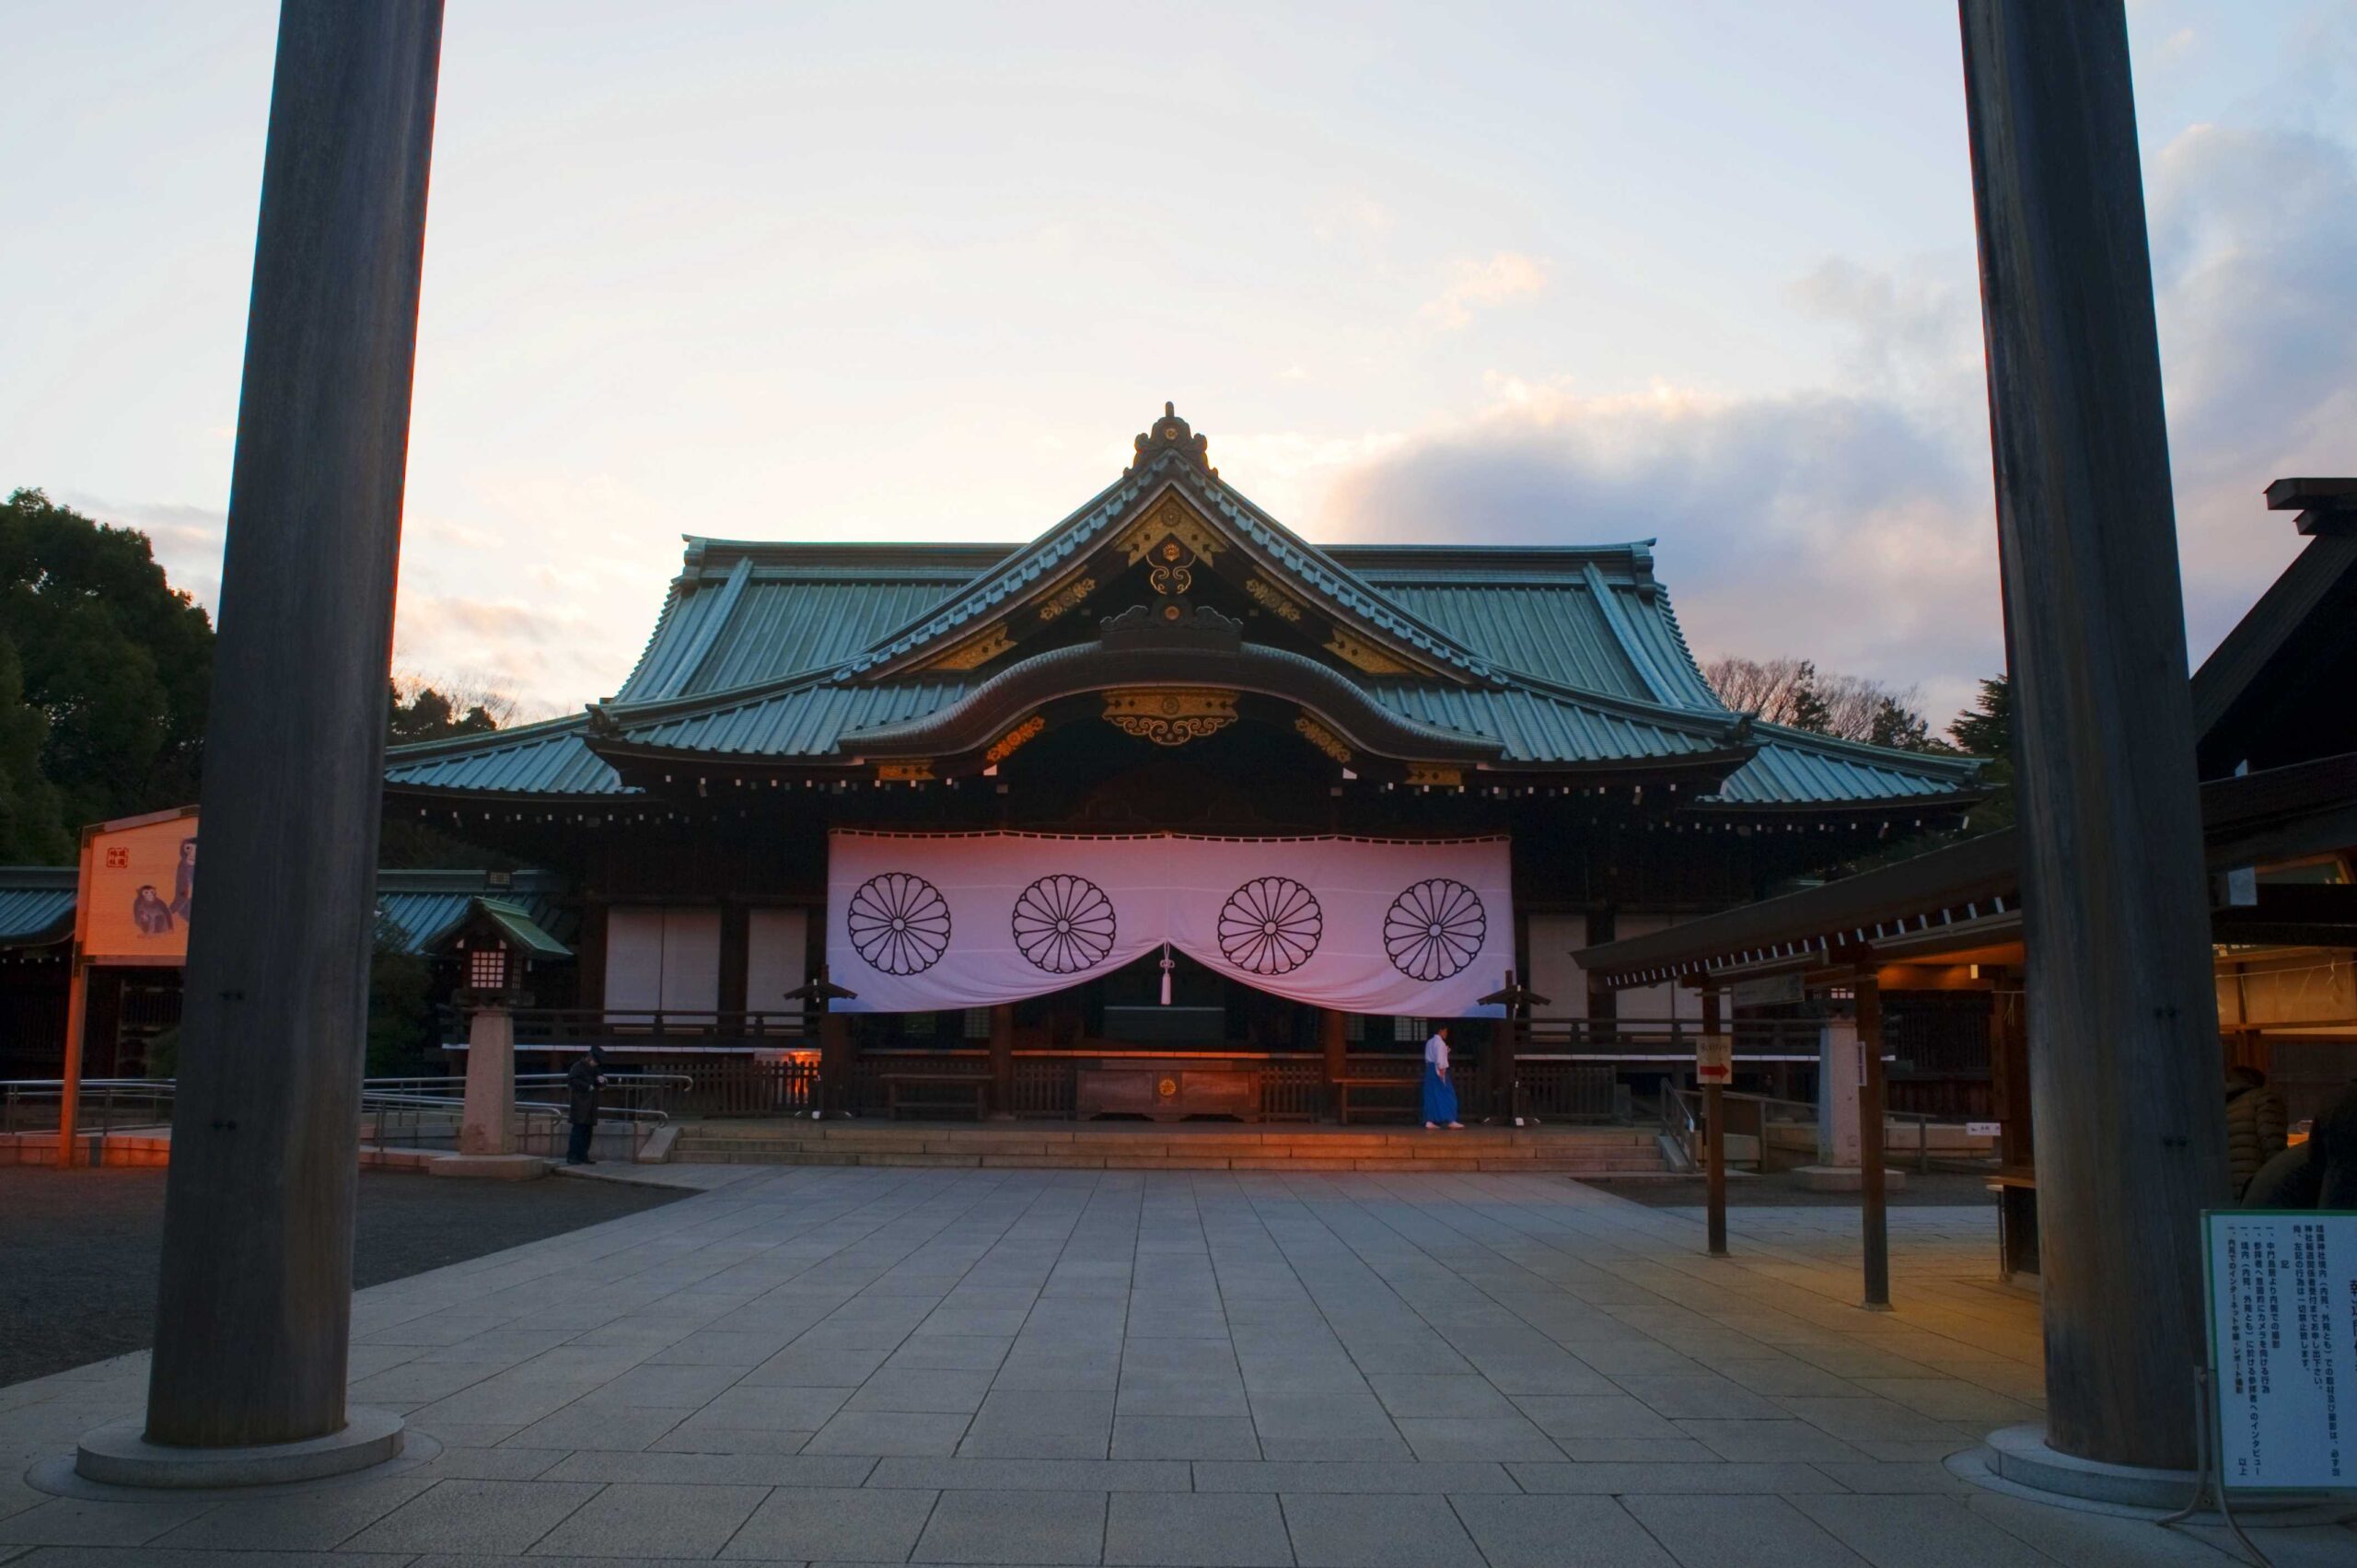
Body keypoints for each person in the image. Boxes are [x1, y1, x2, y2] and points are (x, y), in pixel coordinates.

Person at [2223, 1065, 2289, 1200]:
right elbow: (2272, 1142)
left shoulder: (2223, 1104)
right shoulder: (2264, 1099)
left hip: (2227, 1184)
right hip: (2256, 1183)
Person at [566, 1045, 606, 1166]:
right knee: (578, 1131)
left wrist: (602, 1081)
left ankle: (583, 1155)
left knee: (587, 1132)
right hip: (580, 1103)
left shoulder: (594, 1069)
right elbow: (572, 1081)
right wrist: (587, 1086)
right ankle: (573, 1156)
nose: (595, 1064)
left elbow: (598, 1082)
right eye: (595, 1061)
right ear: (590, 1058)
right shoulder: (578, 1067)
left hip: (591, 1104)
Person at [1422, 1024, 1462, 1130]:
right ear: (1441, 1031)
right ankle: (1450, 1120)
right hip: (1438, 1070)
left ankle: (1429, 1120)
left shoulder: (1430, 1042)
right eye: (1445, 1031)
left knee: (1431, 1096)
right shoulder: (1440, 1043)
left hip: (1430, 1069)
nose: (1446, 1034)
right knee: (1448, 1095)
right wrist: (1442, 1073)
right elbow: (1440, 1060)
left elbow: (1429, 1058)